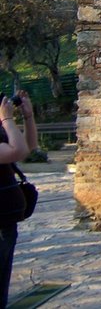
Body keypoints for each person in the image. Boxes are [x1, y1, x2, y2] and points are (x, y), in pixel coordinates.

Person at [0, 92, 37, 308]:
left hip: (6, 219)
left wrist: (28, 117)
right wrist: (7, 119)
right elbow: (17, 151)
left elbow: (28, 147)